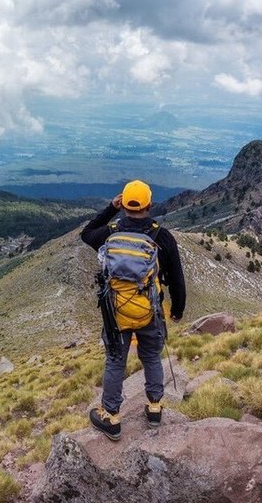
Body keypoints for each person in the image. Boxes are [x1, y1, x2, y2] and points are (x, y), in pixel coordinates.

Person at [80, 179, 186, 440]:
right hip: (150, 311)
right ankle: (154, 408)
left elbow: (86, 233)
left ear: (123, 203)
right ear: (150, 204)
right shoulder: (162, 237)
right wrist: (177, 310)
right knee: (151, 357)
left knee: (116, 361)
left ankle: (111, 417)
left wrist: (110, 209)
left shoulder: (110, 233)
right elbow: (177, 279)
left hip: (117, 313)